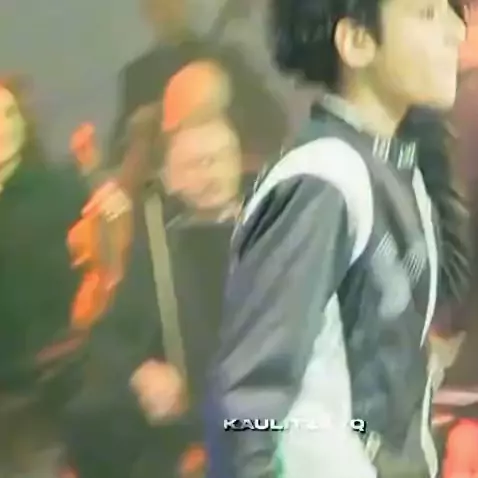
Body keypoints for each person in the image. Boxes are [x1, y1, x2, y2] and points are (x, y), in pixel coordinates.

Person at [205, 0, 469, 477]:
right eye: (427, 13)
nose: (456, 30)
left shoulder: (394, 171)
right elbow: (245, 405)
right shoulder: (323, 180)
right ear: (356, 42)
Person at [0, 76, 93, 476]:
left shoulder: (60, 191)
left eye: (9, 114)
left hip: (46, 385)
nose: (4, 126)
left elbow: (97, 273)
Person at [109, 0, 288, 199]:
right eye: (157, 4)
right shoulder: (138, 76)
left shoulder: (226, 60)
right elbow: (119, 155)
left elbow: (272, 123)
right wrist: (139, 131)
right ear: (147, 11)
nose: (167, 9)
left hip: (228, 190)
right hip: (167, 200)